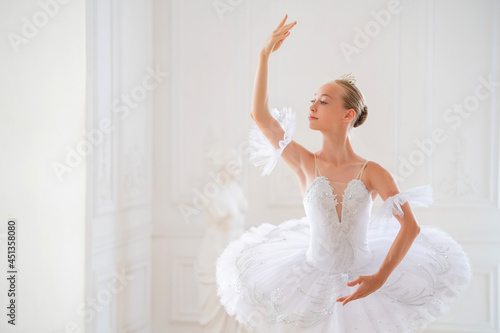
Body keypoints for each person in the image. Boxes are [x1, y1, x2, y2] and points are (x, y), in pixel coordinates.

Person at [215, 14, 472, 333]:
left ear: (347, 115)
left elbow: (410, 227)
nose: (312, 106)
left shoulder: (372, 171)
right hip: (310, 276)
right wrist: (264, 55)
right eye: (312, 100)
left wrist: (379, 278)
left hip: (361, 276)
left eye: (323, 102)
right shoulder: (304, 162)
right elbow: (260, 115)